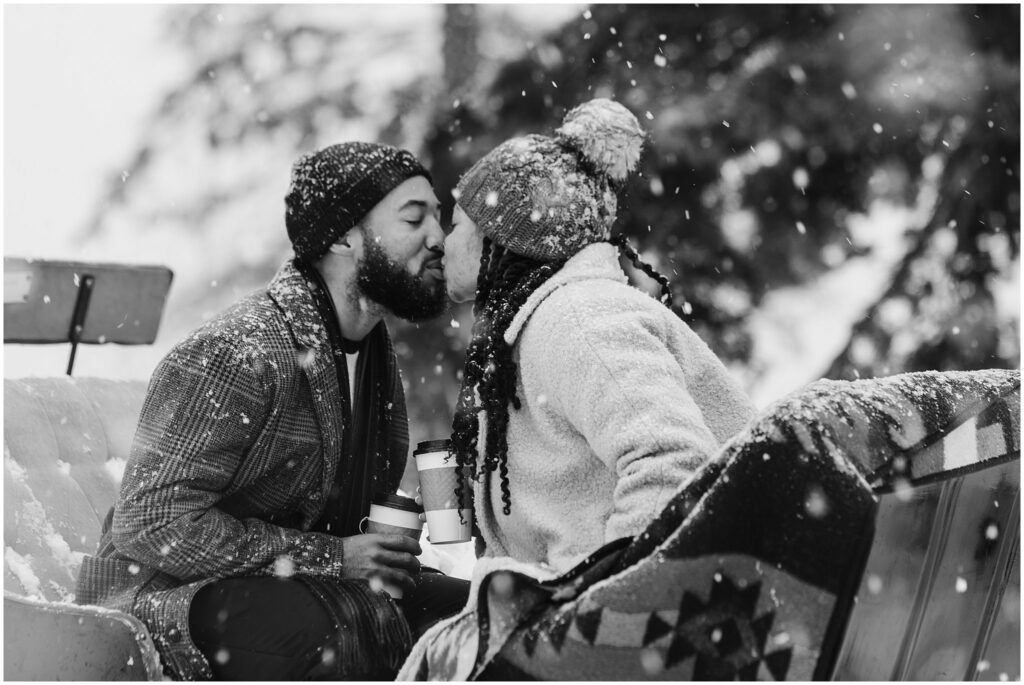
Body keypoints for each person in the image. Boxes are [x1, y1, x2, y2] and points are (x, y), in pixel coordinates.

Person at [75, 142, 470, 681]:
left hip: (304, 586)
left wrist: (389, 536)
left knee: (482, 620)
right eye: (414, 217)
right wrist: (334, 557)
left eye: (438, 218)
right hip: (172, 600)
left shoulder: (373, 354)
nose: (437, 239)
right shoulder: (239, 351)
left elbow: (336, 499)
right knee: (326, 639)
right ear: (341, 236)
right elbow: (151, 524)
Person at [442, 99, 758, 574]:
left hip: (674, 614)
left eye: (454, 225)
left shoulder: (579, 320)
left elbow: (674, 463)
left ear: (497, 235)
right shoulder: (535, 328)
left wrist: (597, 598)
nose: (442, 243)